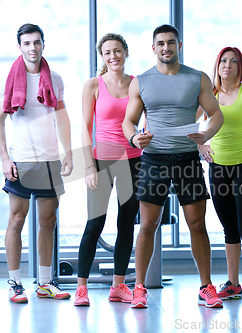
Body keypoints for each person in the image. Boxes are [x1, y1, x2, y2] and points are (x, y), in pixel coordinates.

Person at [122, 24, 224, 309]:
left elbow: (216, 114)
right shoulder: (141, 81)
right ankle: (139, 287)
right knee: (148, 225)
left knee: (196, 224)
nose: (166, 47)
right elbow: (128, 120)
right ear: (153, 48)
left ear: (180, 45)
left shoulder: (197, 78)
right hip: (154, 158)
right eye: (160, 43)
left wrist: (206, 134)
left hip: (187, 158)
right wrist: (134, 137)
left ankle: (206, 287)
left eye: (171, 42)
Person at [0, 23, 73, 303]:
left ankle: (45, 282)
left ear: (43, 44)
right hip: (21, 159)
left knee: (48, 221)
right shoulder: (6, 80)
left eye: (36, 42)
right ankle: (15, 283)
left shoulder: (56, 79)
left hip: (50, 159)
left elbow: (62, 118)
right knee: (16, 219)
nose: (32, 48)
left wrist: (69, 153)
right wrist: (5, 158)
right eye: (27, 43)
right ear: (20, 47)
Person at [74, 33, 142, 306]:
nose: (113, 56)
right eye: (107, 52)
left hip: (134, 160)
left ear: (126, 52)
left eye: (117, 50)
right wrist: (88, 166)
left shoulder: (138, 84)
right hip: (101, 161)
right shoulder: (92, 85)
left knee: (126, 224)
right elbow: (86, 128)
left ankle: (118, 286)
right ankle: (81, 288)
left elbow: (145, 121)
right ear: (102, 57)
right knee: (95, 223)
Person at [197, 47, 242, 304]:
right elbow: (190, 123)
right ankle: (234, 284)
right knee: (229, 228)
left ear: (240, 66)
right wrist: (200, 145)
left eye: (233, 61)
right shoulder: (210, 95)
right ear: (218, 66)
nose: (227, 65)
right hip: (217, 168)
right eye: (223, 61)